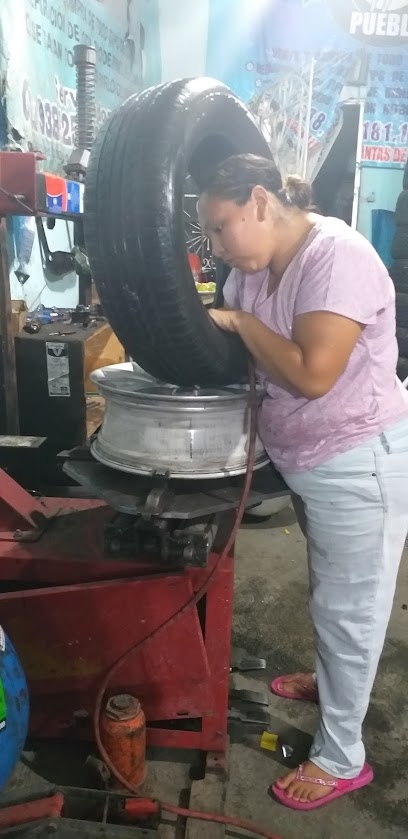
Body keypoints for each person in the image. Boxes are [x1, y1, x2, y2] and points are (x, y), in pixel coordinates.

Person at [198, 153, 408, 812]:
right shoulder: (248, 273)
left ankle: (343, 756)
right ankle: (331, 679)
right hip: (309, 460)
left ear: (260, 200)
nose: (216, 248)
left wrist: (237, 322)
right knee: (332, 588)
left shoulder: (335, 257)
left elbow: (313, 373)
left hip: (357, 459)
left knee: (350, 609)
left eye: (220, 227)